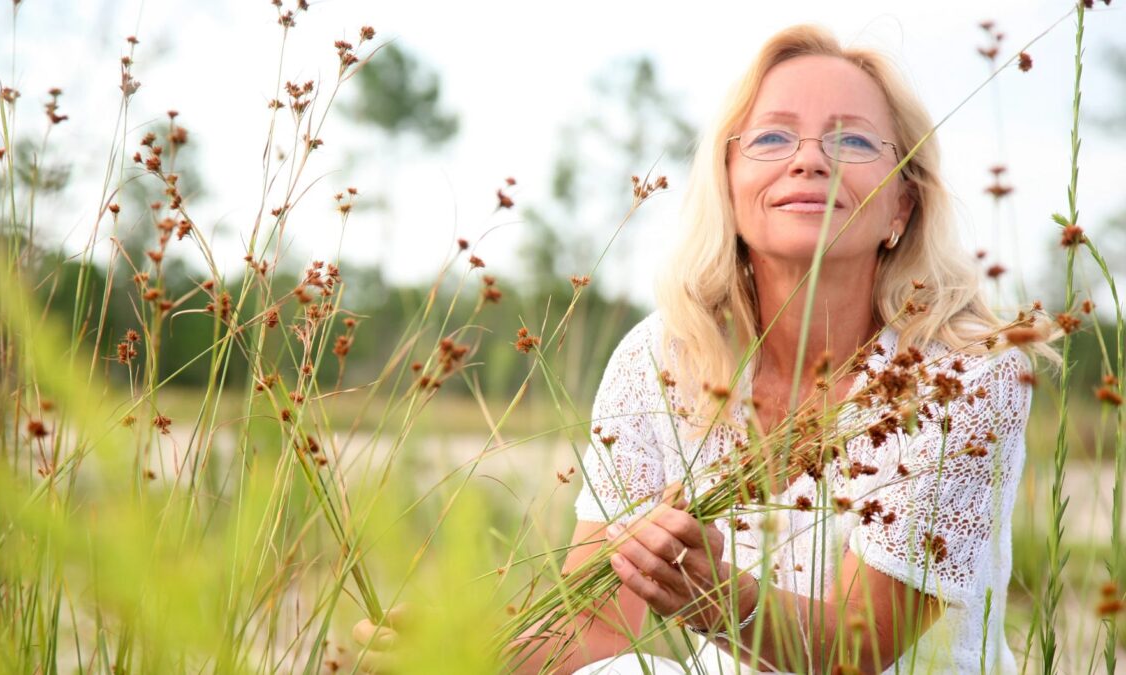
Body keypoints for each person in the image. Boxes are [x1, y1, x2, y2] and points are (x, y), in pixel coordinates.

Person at [355, 24, 1042, 674]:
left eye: (854, 143)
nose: (810, 159)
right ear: (729, 184)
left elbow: (858, 651)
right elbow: (597, 626)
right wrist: (465, 651)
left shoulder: (965, 375)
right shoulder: (663, 356)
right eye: (773, 137)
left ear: (902, 205)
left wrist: (722, 600)